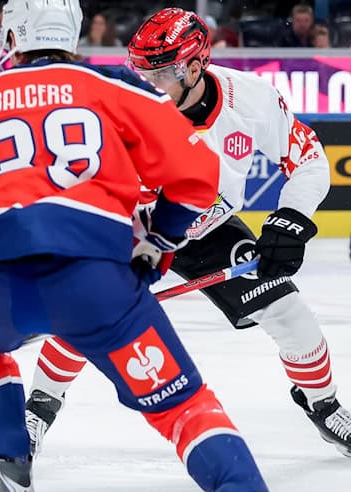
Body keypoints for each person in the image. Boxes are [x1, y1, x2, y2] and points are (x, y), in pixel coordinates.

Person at [0, 0, 327, 492]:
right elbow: (196, 178)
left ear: (12, 36)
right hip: (102, 272)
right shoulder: (115, 90)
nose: (154, 77)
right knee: (178, 399)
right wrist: (159, 241)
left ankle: (9, 475)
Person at [25, 7, 350, 461]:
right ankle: (37, 410)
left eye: (160, 73)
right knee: (84, 317)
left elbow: (308, 158)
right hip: (132, 230)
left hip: (209, 229)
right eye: (142, 70)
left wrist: (291, 219)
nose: (147, 83)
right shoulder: (118, 107)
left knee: (290, 314)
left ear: (196, 67)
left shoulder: (249, 99)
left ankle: (324, 405)